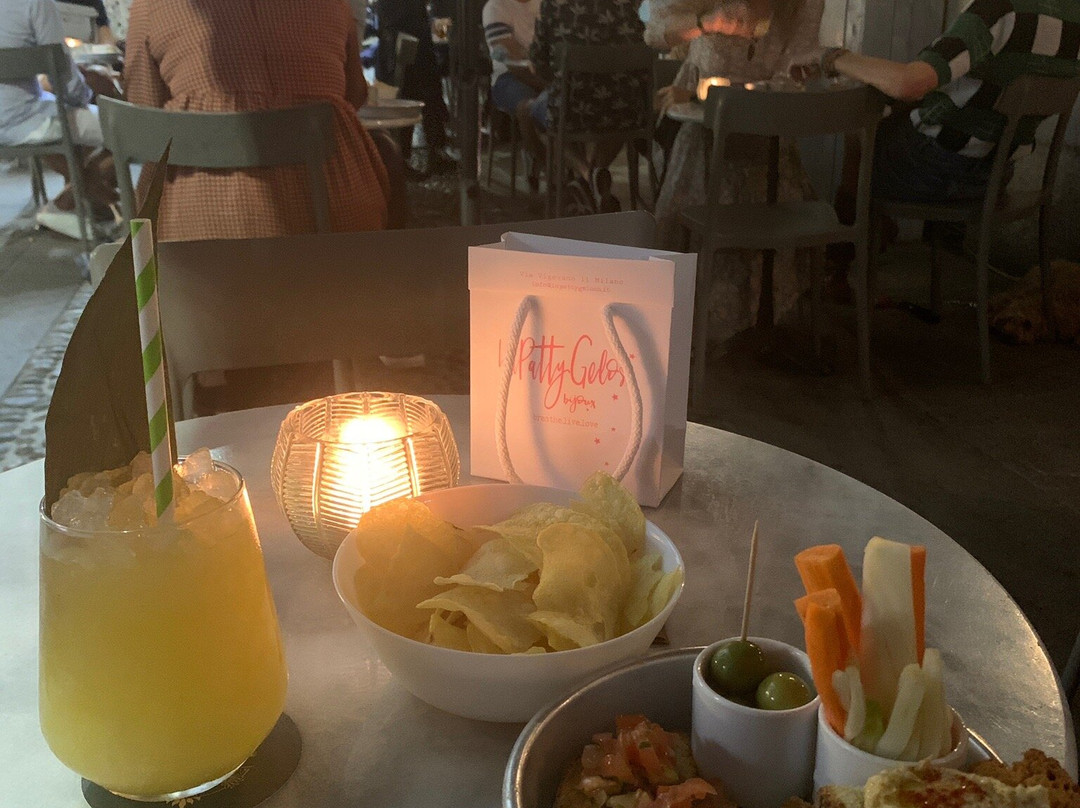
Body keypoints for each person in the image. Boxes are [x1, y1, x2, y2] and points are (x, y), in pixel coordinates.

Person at [123, 0, 399, 241]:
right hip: (338, 213)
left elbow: (145, 115)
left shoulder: (152, 6)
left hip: (196, 233)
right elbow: (355, 93)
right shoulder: (333, 3)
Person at [645, 0, 824, 346]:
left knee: (774, 216)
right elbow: (654, 33)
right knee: (697, 218)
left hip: (770, 139)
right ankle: (690, 325)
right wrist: (706, 22)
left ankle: (762, 317)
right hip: (704, 140)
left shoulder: (802, 5)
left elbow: (799, 64)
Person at [791, 0, 1080, 208]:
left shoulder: (999, 10)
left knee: (860, 133)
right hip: (997, 175)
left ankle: (845, 258)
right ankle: (879, 238)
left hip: (939, 172)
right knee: (894, 118)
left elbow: (909, 84)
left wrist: (828, 57)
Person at [0, 0, 119, 239]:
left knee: (76, 125)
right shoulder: (36, 3)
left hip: (12, 118)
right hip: (27, 118)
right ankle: (87, 202)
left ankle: (82, 202)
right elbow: (62, 74)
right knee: (125, 129)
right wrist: (84, 95)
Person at [528, 0, 648, 213]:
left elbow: (539, 63)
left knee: (536, 113)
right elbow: (643, 51)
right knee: (618, 118)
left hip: (572, 110)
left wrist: (561, 78)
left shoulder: (553, 5)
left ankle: (586, 174)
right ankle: (598, 174)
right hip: (625, 110)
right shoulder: (626, 5)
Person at [375, 0, 454, 174]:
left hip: (406, 38)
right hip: (406, 39)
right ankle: (405, 156)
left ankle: (418, 154)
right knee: (409, 96)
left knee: (420, 95)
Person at [482, 0, 543, 191]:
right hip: (508, 77)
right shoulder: (496, 7)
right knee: (529, 106)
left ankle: (586, 172)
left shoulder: (547, 4)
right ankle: (542, 159)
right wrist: (549, 85)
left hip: (547, 73)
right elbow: (513, 59)